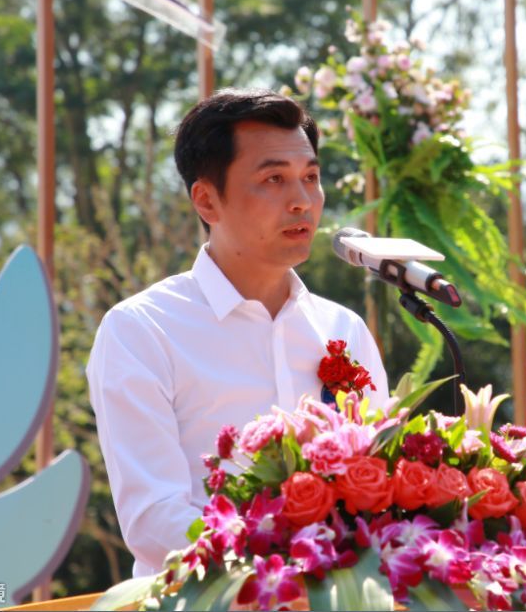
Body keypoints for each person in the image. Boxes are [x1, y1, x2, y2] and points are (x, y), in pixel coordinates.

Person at [86, 88, 389, 578]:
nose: (302, 201)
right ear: (207, 200)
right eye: (273, 179)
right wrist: (277, 570)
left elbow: (378, 481)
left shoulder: (343, 329)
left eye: (310, 178)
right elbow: (153, 517)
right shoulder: (142, 330)